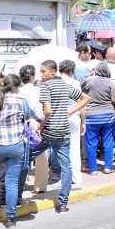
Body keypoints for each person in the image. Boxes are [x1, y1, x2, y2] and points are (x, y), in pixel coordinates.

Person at [0, 74, 44, 229]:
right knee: (12, 182)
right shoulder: (22, 102)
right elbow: (40, 117)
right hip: (17, 147)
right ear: (17, 87)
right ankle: (10, 219)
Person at [29, 60, 89, 213]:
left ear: (52, 72)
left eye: (43, 72)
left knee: (26, 156)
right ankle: (62, 203)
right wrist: (71, 111)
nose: (41, 75)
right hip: (63, 131)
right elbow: (86, 98)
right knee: (66, 166)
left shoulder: (46, 86)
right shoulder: (66, 85)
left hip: (49, 132)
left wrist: (42, 124)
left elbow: (47, 110)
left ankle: (14, 196)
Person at [81, 62, 115, 175]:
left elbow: (78, 87)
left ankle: (93, 169)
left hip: (91, 116)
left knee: (91, 143)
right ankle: (107, 167)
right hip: (108, 116)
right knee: (108, 141)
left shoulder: (89, 80)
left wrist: (89, 74)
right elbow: (114, 100)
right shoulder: (110, 82)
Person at [17, 65, 48, 194]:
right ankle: (40, 186)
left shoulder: (18, 91)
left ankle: (19, 184)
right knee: (41, 156)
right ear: (31, 77)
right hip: (36, 124)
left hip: (21, 125)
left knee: (20, 156)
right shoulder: (39, 90)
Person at [59, 60, 85, 186]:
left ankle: (63, 176)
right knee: (74, 147)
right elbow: (81, 102)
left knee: (60, 148)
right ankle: (76, 177)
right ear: (71, 71)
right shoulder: (75, 83)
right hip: (74, 116)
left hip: (59, 117)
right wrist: (83, 122)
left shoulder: (56, 82)